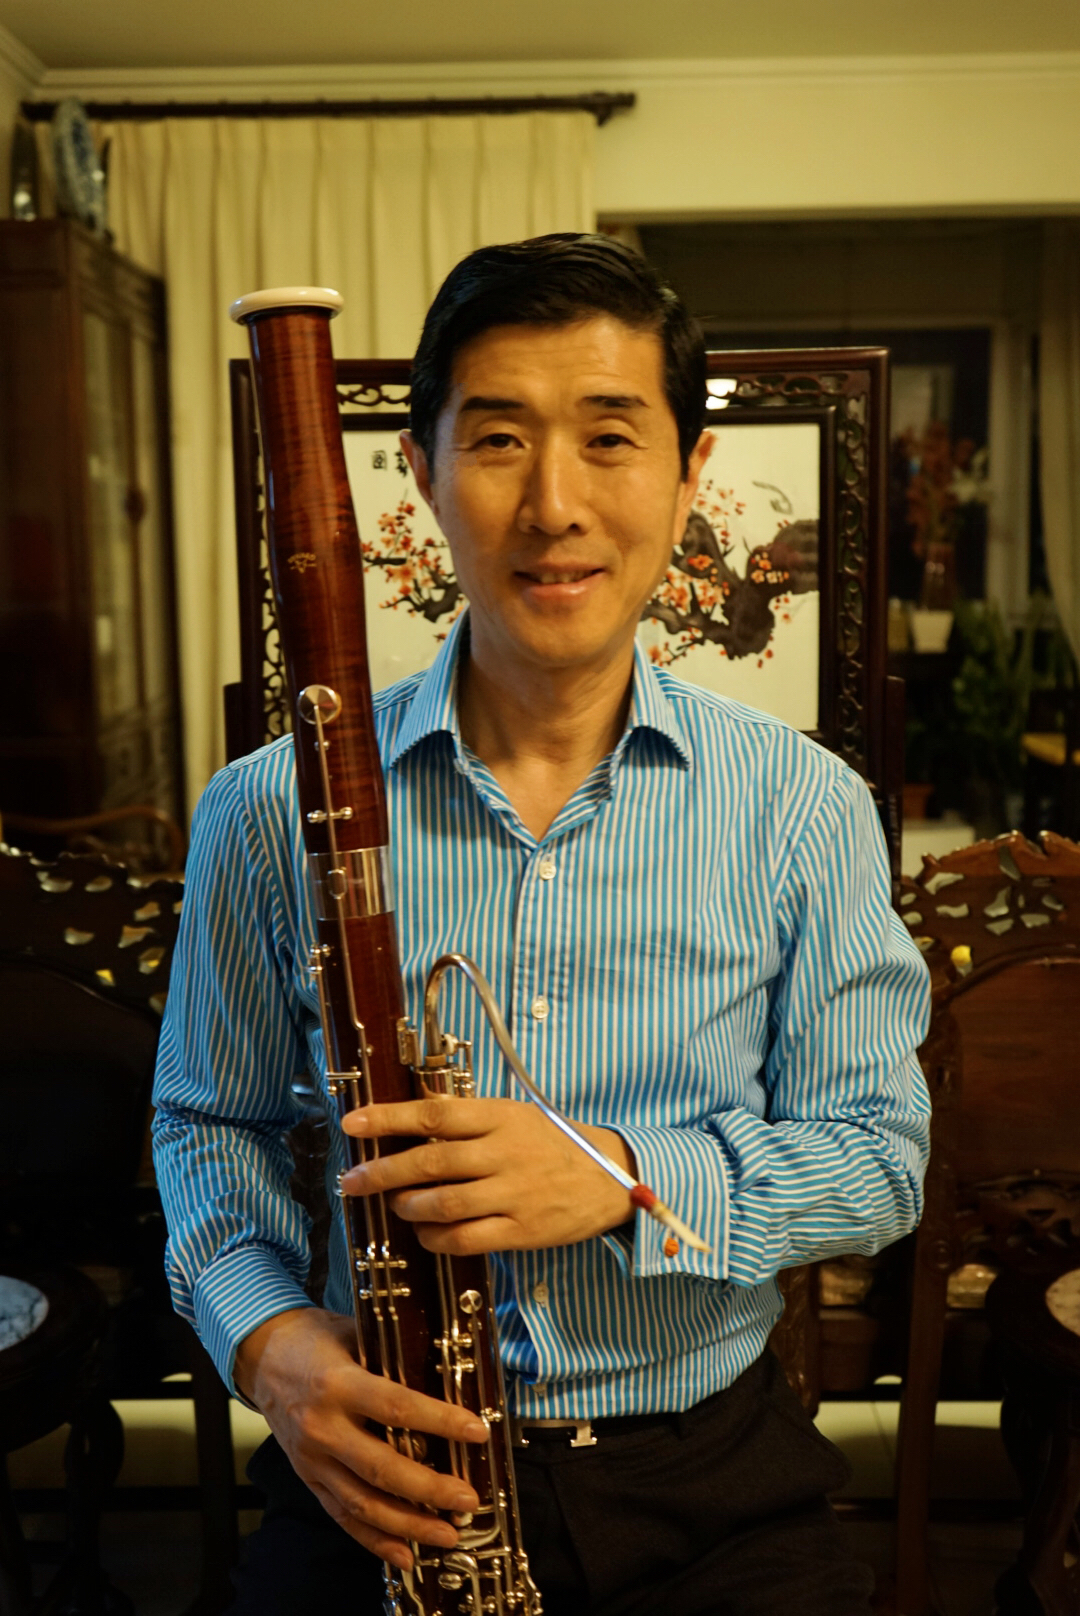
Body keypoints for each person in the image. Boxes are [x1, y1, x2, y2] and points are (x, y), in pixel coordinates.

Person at [153, 234, 931, 1616]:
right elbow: (207, 1123)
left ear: (689, 474)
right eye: (500, 438)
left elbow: (878, 1156)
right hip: (380, 1461)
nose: (554, 504)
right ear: (421, 470)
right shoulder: (266, 807)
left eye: (610, 438)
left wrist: (625, 1180)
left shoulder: (802, 808)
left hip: (708, 1483)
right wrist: (267, 1345)